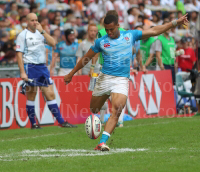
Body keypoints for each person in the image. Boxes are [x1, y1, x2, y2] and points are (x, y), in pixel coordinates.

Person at [64, 13, 188, 151]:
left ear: (118, 25)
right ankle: (100, 115)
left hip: (121, 79)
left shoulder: (130, 35)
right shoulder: (101, 42)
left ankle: (102, 142)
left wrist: (175, 22)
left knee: (117, 109)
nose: (109, 32)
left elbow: (154, 31)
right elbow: (86, 58)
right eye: (107, 30)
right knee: (94, 109)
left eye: (111, 29)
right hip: (104, 78)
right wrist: (71, 74)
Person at [16, 13, 77, 129]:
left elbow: (53, 43)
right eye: (32, 20)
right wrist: (22, 72)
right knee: (32, 95)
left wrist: (43, 31)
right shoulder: (22, 35)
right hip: (30, 66)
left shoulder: (40, 33)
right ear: (27, 22)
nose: (35, 22)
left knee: (50, 94)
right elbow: (19, 54)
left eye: (36, 20)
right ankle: (33, 123)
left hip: (42, 67)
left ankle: (61, 121)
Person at [155, 18, 176, 84]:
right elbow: (158, 54)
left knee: (173, 85)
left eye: (169, 26)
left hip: (172, 65)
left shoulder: (172, 39)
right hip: (165, 65)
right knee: (166, 85)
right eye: (166, 26)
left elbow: (173, 52)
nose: (168, 28)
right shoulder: (159, 39)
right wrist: (162, 67)